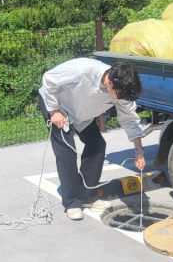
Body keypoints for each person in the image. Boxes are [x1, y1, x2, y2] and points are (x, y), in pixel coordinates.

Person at [38, 58, 145, 220]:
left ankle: (88, 196)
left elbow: (129, 119)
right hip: (58, 107)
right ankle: (72, 202)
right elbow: (48, 79)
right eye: (119, 96)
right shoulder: (82, 70)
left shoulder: (121, 87)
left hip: (82, 113)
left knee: (97, 145)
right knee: (67, 152)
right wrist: (54, 111)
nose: (120, 99)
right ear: (110, 83)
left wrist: (139, 150)